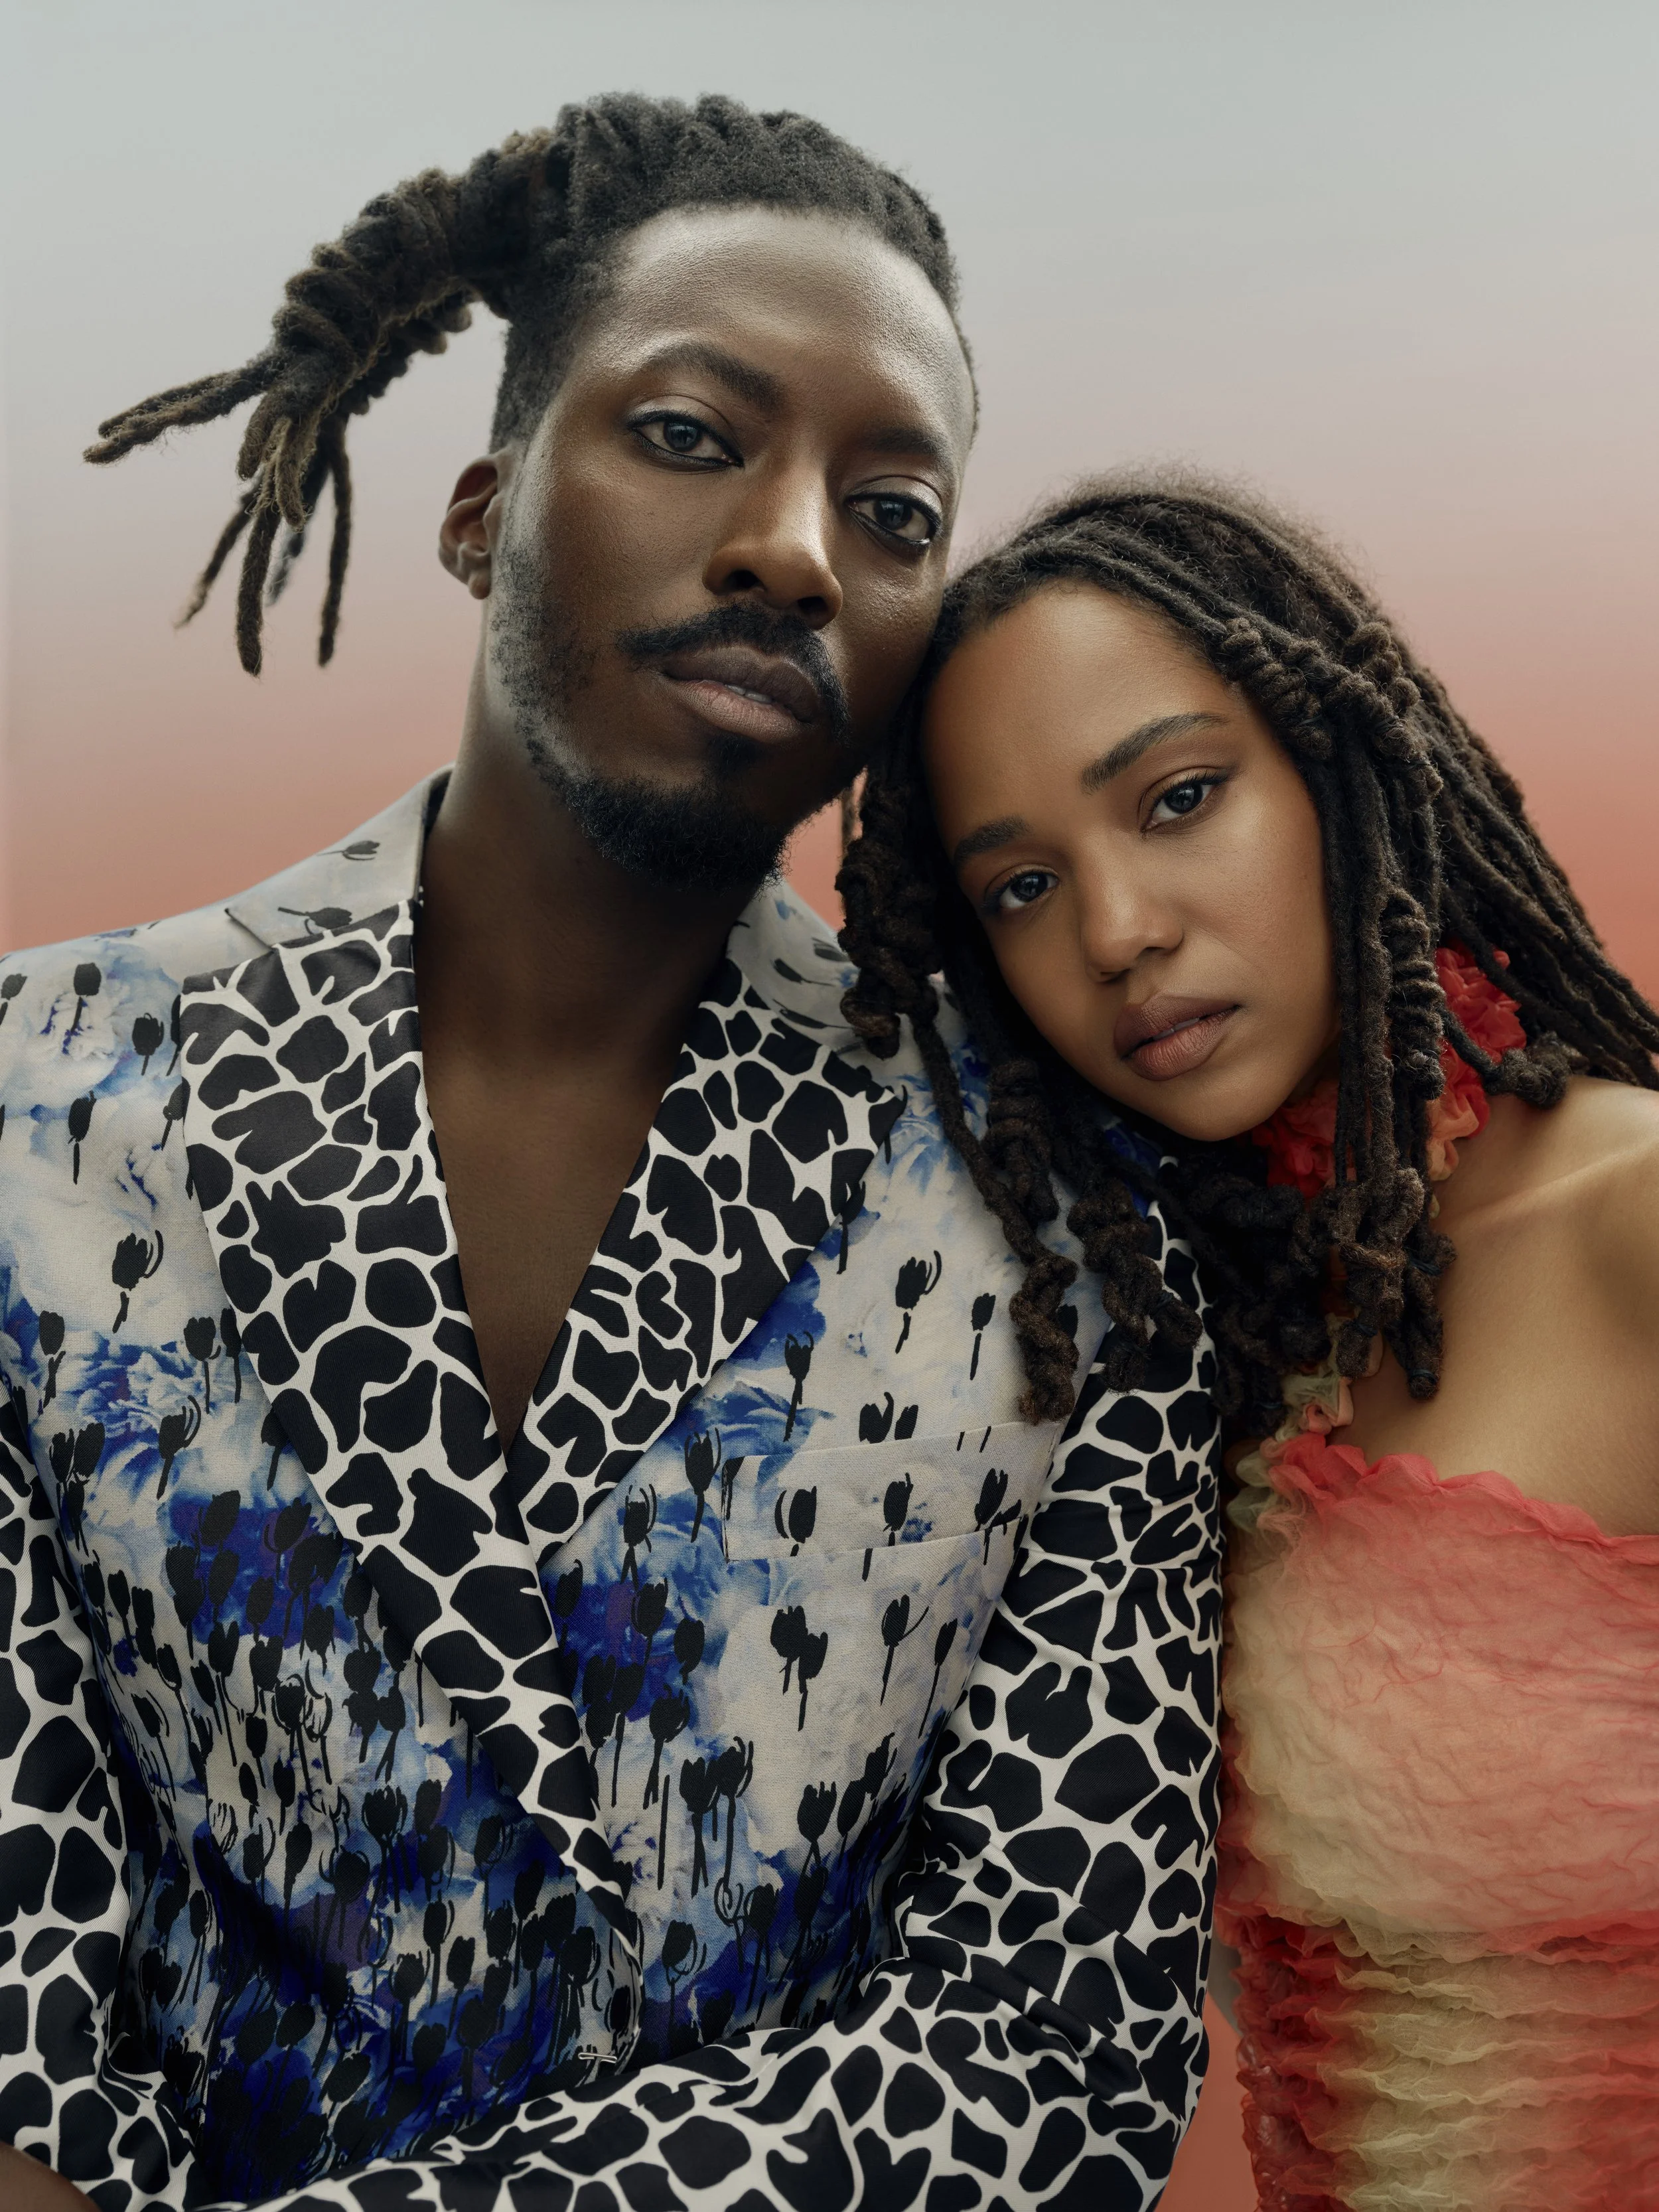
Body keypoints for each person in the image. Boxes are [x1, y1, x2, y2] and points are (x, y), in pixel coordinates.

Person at [0, 104, 1222, 2212]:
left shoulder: (1071, 1248)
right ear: (478, 513)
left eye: (894, 504)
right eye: (686, 434)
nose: (793, 548)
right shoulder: (41, 1095)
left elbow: (1049, 2044)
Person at [841, 472, 1659, 2211]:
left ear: (1343, 771)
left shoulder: (1632, 1226)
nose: (1116, 931)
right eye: (1018, 886)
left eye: (1179, 798)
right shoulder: (1178, 1350)